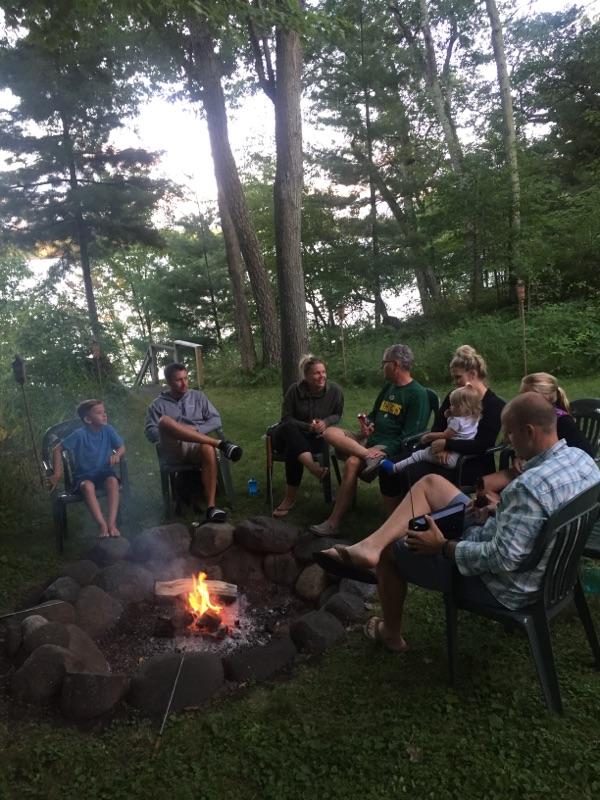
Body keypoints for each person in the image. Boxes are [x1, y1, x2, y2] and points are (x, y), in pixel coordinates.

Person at [318, 393, 600, 652]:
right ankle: (369, 545)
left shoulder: (528, 488)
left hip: (508, 587)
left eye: (511, 434)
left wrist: (443, 546)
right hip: (551, 570)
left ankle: (389, 631)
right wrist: (499, 509)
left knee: (393, 553)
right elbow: (537, 517)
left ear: (529, 431)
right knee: (431, 483)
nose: (508, 440)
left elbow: (501, 559)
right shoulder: (583, 460)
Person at [309, 344, 430, 536]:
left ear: (395, 364)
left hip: (386, 445)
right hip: (369, 440)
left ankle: (333, 522)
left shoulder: (417, 394)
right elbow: (375, 414)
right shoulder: (389, 387)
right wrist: (368, 423)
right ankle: (365, 454)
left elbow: (410, 436)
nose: (381, 367)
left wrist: (386, 450)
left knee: (352, 462)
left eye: (384, 363)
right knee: (330, 432)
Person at [379, 344, 505, 514]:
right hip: (439, 452)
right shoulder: (455, 396)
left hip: (469, 462)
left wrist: (447, 444)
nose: (455, 382)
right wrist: (440, 446)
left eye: (458, 377)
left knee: (409, 473)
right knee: (388, 468)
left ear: (473, 374)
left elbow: (481, 444)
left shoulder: (494, 405)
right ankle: (393, 519)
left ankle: (420, 523)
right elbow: (438, 426)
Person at [144, 362, 243, 523]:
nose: (184, 383)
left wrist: (194, 430)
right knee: (164, 422)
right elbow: (151, 432)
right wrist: (177, 430)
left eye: (186, 378)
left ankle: (211, 507)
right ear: (168, 382)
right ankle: (221, 444)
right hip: (173, 449)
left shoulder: (198, 397)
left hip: (197, 446)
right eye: (178, 380)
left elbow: (215, 420)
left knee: (207, 449)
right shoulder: (157, 405)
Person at [479, 371, 595, 503]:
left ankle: (500, 509)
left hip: (546, 473)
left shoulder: (562, 421)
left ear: (543, 398)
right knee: (483, 485)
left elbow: (585, 454)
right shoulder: (528, 421)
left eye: (526, 396)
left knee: (490, 490)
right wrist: (519, 457)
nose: (520, 400)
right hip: (528, 466)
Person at [271, 355, 344, 518]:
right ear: (307, 376)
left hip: (315, 439)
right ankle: (313, 468)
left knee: (294, 450)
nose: (322, 376)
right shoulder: (294, 391)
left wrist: (325, 422)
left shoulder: (335, 391)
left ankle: (289, 500)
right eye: (317, 373)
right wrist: (307, 426)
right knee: (290, 430)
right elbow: (286, 418)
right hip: (288, 435)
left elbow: (337, 414)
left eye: (323, 372)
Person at [48, 400, 125, 538]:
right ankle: (102, 525)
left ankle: (112, 523)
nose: (104, 415)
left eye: (104, 412)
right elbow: (57, 448)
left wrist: (117, 454)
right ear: (88, 419)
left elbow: (121, 446)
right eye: (99, 413)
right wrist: (57, 473)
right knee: (87, 487)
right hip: (84, 475)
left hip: (104, 472)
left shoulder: (108, 430)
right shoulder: (80, 434)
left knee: (113, 482)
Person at [380, 384, 481, 476]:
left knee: (419, 454)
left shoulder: (456, 421)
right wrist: (451, 413)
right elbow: (460, 432)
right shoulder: (473, 418)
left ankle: (394, 468)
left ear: (462, 407)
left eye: (454, 405)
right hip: (460, 457)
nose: (450, 406)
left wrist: (429, 436)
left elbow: (447, 435)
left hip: (449, 459)